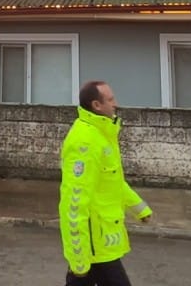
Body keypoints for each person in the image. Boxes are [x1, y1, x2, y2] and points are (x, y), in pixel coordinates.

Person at [59, 80, 152, 286]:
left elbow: (112, 182)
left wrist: (140, 209)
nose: (115, 103)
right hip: (92, 246)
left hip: (102, 241)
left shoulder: (102, 134)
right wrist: (79, 259)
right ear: (96, 105)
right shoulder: (85, 141)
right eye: (110, 100)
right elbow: (73, 203)